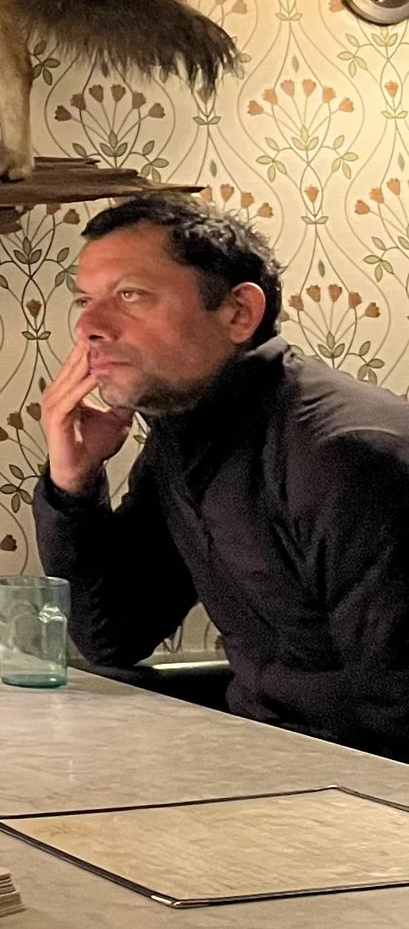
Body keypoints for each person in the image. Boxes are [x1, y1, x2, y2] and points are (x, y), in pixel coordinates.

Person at [34, 192, 409, 758]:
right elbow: (115, 636)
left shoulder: (349, 454)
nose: (89, 325)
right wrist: (74, 485)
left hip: (354, 803)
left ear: (239, 313)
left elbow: (398, 711)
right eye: (85, 300)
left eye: (130, 296)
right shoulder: (185, 433)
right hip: (272, 766)